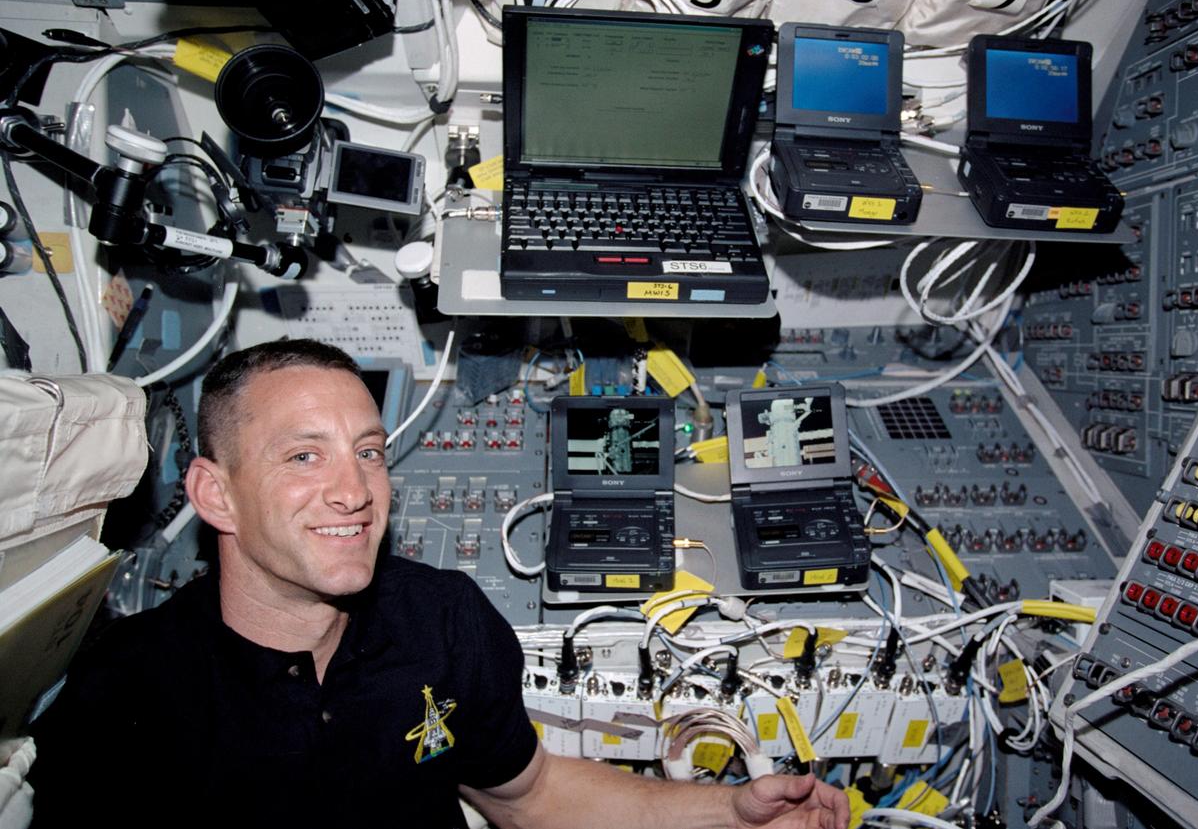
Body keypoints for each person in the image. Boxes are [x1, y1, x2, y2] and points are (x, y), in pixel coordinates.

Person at [29, 339, 849, 829]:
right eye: (304, 456)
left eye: (370, 450)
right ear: (214, 493)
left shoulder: (441, 620)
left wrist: (729, 810)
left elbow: (529, 792)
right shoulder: (123, 699)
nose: (354, 490)